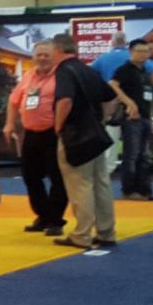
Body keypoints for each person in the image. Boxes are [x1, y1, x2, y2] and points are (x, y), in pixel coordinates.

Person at [52, 33, 118, 250]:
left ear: (57, 49)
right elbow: (111, 95)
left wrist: (58, 125)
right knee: (101, 183)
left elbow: (65, 100)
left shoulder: (64, 70)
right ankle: (107, 231)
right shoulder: (86, 69)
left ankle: (82, 234)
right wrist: (103, 119)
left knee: (80, 185)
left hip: (76, 135)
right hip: (96, 134)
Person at [3, 40, 67, 235]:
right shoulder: (28, 76)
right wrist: (9, 123)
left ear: (55, 56)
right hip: (31, 133)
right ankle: (43, 215)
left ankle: (56, 220)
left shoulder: (61, 76)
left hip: (54, 133)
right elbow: (14, 101)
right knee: (30, 176)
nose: (42, 58)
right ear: (33, 57)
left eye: (46, 54)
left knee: (58, 177)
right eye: (39, 55)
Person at [109, 40, 153, 201]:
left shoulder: (145, 71)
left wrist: (152, 117)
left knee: (143, 155)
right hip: (131, 118)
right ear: (131, 52)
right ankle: (129, 190)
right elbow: (113, 84)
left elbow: (149, 96)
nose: (143, 54)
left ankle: (144, 190)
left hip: (145, 117)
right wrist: (127, 101)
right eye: (139, 51)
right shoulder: (125, 70)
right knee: (132, 155)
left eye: (146, 51)